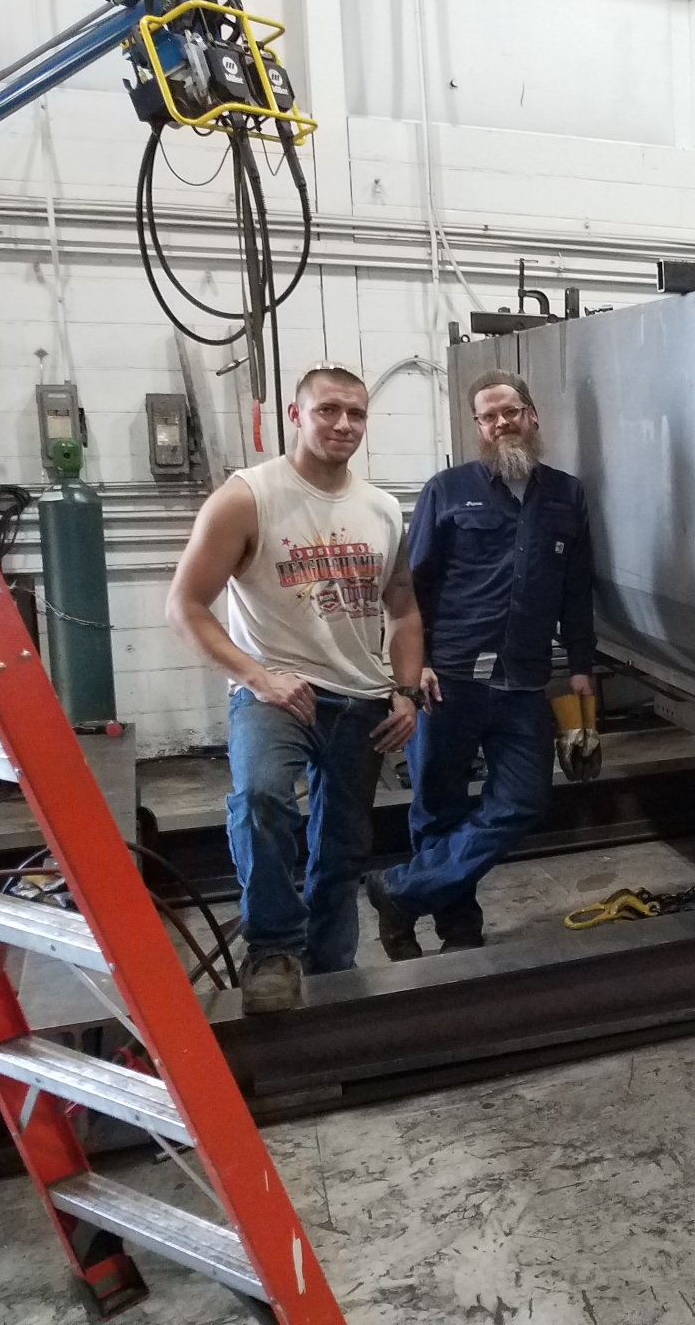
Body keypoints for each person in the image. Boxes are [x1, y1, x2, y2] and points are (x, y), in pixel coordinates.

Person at [167, 366, 424, 1013]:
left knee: (343, 842)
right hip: (273, 691)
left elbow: (405, 610)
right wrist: (257, 677)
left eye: (356, 414)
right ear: (295, 414)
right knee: (260, 800)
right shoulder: (246, 497)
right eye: (328, 410)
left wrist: (406, 690)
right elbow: (186, 604)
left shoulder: (384, 509)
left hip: (360, 696)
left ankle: (332, 969)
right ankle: (274, 950)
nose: (343, 425)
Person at [365, 370, 595, 958]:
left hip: (523, 680)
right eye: (488, 417)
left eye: (510, 412)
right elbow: (411, 587)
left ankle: (402, 892)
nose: (501, 425)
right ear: (477, 427)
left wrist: (581, 669)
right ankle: (458, 928)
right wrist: (415, 671)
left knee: (524, 800)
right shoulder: (448, 489)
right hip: (451, 678)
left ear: (532, 415)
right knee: (438, 806)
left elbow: (575, 589)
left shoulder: (568, 495)